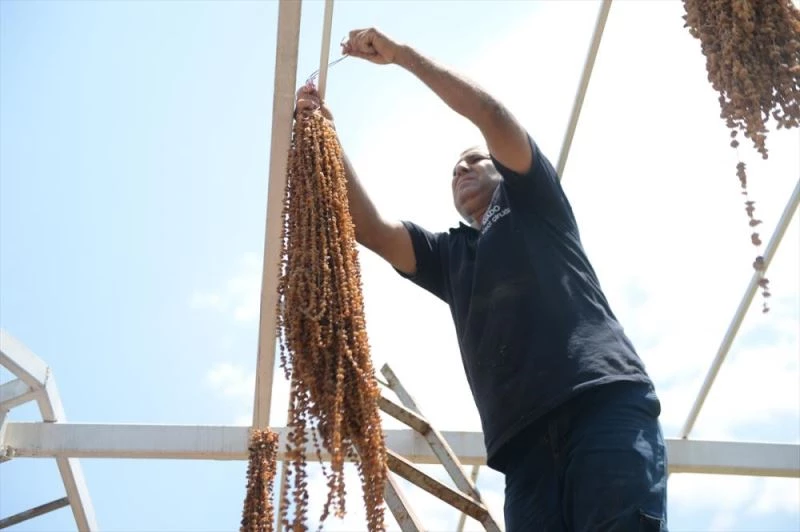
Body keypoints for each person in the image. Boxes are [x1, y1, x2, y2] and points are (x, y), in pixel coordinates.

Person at [295, 28, 668, 532]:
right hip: (522, 451)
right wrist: (323, 135)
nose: (462, 169)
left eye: (475, 160)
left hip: (599, 404)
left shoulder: (533, 201)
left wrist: (402, 55)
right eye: (454, 169)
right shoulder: (449, 256)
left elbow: (489, 116)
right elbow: (372, 230)